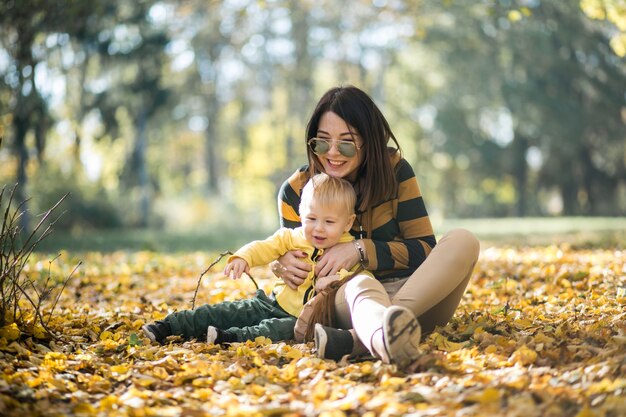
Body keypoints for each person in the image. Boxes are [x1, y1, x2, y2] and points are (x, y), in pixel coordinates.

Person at [273, 85, 480, 370]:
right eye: (321, 142)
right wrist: (281, 262)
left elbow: (424, 250)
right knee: (360, 284)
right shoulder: (295, 191)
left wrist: (360, 250)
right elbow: (297, 271)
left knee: (463, 240)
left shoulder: (396, 173)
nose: (332, 153)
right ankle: (381, 334)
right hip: (346, 302)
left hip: (415, 298)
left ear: (369, 142)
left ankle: (360, 340)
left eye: (346, 143)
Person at [142, 173, 370, 345]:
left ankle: (229, 338)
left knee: (275, 330)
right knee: (227, 311)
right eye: (311, 218)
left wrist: (333, 283)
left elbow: (362, 281)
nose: (318, 228)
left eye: (329, 222)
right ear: (301, 213)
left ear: (348, 223)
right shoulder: (292, 237)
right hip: (269, 303)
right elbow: (265, 247)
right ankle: (168, 325)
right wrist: (244, 257)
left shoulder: (348, 250)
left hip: (301, 319)